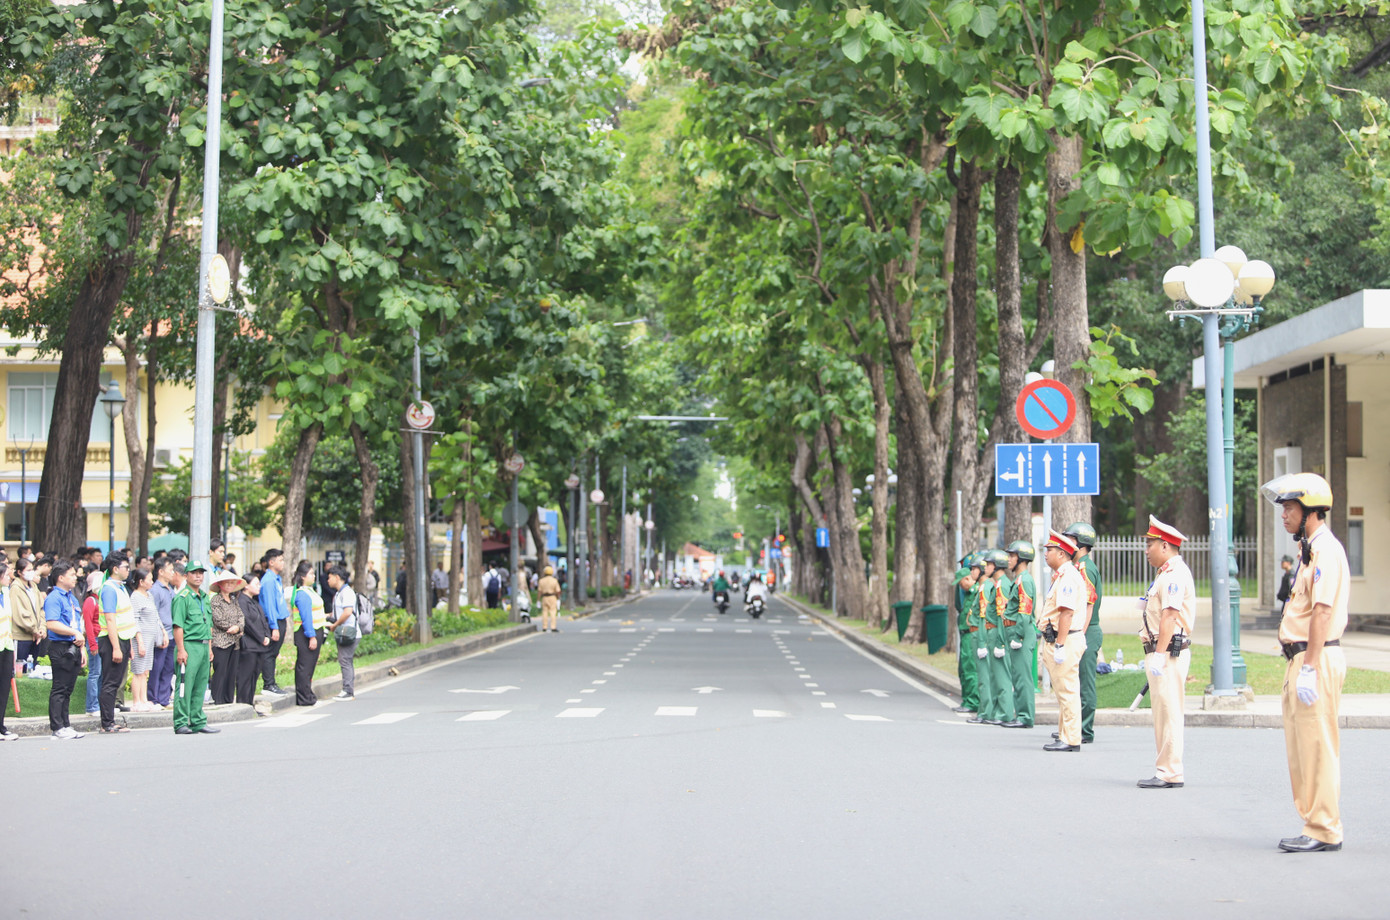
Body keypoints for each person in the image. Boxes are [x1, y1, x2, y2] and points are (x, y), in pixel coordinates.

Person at [1262, 473, 1349, 852]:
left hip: (1317, 657)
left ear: (1310, 510)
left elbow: (1322, 612)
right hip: (1302, 658)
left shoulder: (1326, 550)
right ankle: (1314, 823)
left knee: (1317, 747)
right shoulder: (1309, 551)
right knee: (1302, 749)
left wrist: (1310, 667)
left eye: (1289, 508)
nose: (1284, 515)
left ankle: (1325, 829)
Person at [1136, 515, 1195, 790]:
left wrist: (1159, 655)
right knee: (1162, 714)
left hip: (1169, 652)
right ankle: (1166, 769)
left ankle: (1170, 772)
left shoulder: (1174, 575)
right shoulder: (1165, 574)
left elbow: (1170, 616)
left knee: (1169, 713)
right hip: (1163, 651)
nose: (1146, 550)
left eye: (1150, 544)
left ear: (1164, 545)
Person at [1040, 531, 1087, 752]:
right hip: (1061, 639)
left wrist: (1059, 645)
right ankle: (1065, 735)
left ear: (1061, 553)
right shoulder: (1062, 575)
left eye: (1049, 550)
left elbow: (1066, 613)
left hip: (1065, 640)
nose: (1046, 554)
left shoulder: (1067, 577)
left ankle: (1071, 739)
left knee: (1068, 692)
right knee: (1064, 692)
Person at [1063, 522, 1103, 745]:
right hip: (1082, 630)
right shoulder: (1078, 566)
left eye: (1070, 539)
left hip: (1087, 630)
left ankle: (1085, 729)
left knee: (1085, 683)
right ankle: (1074, 727)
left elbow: (1088, 605)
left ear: (1081, 543)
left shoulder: (1085, 568)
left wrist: (1080, 634)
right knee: (1075, 683)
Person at [171, 561, 218, 734]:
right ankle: (181, 722)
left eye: (201, 573)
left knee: (200, 685)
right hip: (189, 645)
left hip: (204, 645)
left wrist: (210, 647)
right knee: (185, 685)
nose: (198, 576)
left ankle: (198, 721)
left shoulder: (204, 597)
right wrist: (181, 649)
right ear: (186, 576)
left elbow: (208, 625)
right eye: (194, 573)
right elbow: (178, 626)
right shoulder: (182, 598)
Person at [43, 561, 86, 739]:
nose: (75, 577)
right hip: (60, 646)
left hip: (74, 646)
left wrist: (82, 648)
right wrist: (74, 633)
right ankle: (57, 727)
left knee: (68, 689)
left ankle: (66, 724)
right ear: (60, 578)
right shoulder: (54, 597)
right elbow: (52, 624)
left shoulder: (71, 598)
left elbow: (77, 624)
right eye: (72, 575)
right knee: (60, 688)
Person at [96, 552, 136, 733]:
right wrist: (116, 648)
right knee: (110, 683)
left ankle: (110, 720)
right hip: (112, 640)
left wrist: (129, 645)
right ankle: (107, 723)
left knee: (115, 682)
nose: (128, 570)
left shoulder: (120, 587)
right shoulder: (109, 589)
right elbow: (110, 620)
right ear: (115, 569)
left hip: (123, 639)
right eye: (125, 567)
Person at [982, 549, 1021, 728]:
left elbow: (1002, 616)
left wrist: (1000, 642)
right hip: (992, 633)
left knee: (1002, 676)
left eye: (989, 564)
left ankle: (1005, 713)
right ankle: (998, 711)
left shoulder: (1002, 585)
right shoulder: (998, 584)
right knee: (995, 676)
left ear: (997, 566)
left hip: (999, 634)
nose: (986, 568)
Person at [1003, 540, 1038, 729]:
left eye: (1012, 556)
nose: (1008, 559)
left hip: (1021, 633)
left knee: (1023, 677)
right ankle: (1021, 714)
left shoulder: (1024, 580)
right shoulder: (1019, 579)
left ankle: (1025, 716)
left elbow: (1024, 611)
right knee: (1017, 676)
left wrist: (1018, 636)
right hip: (1015, 631)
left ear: (1022, 559)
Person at [965, 554, 997, 725]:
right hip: (977, 632)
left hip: (980, 633)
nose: (972, 572)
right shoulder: (982, 586)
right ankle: (985, 710)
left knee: (984, 676)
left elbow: (984, 616)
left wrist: (982, 641)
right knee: (982, 675)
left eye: (974, 569)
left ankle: (986, 712)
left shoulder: (985, 587)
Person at [291, 560, 328, 706]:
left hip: (315, 630)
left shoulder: (310, 591)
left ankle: (308, 695)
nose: (314, 576)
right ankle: (304, 697)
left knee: (310, 666)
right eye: (311, 573)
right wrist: (311, 636)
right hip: (306, 633)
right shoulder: (302, 594)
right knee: (305, 666)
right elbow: (306, 618)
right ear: (302, 576)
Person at [209, 570, 246, 705]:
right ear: (220, 584)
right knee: (220, 671)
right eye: (227, 583)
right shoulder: (215, 600)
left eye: (232, 583)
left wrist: (238, 627)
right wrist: (232, 627)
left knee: (231, 672)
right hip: (221, 641)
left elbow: (241, 616)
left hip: (235, 641)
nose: (230, 585)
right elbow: (218, 619)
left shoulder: (234, 600)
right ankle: (217, 699)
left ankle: (228, 699)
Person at [127, 566, 162, 712]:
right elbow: (134, 619)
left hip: (150, 637)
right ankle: (137, 702)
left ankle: (144, 699)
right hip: (140, 639)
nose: (152, 582)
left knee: (145, 671)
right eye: (150, 579)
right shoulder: (135, 597)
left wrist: (162, 632)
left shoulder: (149, 596)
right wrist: (140, 641)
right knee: (138, 671)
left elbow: (155, 616)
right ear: (141, 582)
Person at [236, 572, 271, 706]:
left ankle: (249, 704)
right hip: (248, 645)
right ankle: (243, 704)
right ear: (246, 586)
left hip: (258, 646)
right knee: (245, 677)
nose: (259, 586)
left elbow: (263, 620)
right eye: (256, 584)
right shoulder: (241, 601)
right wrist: (261, 637)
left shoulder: (255, 602)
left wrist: (267, 636)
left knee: (254, 677)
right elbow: (247, 623)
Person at [258, 549, 290, 696]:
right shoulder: (269, 580)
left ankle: (271, 683)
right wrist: (274, 626)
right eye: (280, 560)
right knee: (269, 653)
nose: (283, 563)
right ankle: (268, 684)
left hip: (280, 619)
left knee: (273, 653)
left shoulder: (276, 578)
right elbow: (270, 606)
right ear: (271, 562)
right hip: (274, 621)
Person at [324, 565, 357, 701]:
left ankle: (348, 691)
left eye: (329, 577)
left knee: (345, 660)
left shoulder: (347, 592)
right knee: (345, 659)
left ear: (337, 577)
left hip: (348, 631)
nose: (328, 580)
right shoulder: (339, 593)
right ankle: (347, 689)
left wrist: (335, 624)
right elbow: (338, 612)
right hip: (343, 631)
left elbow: (347, 612)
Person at [148, 559, 178, 708]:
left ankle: (164, 698)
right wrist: (160, 633)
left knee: (168, 668)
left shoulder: (170, 590)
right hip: (161, 635)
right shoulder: (155, 590)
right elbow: (154, 614)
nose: (173, 573)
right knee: (157, 668)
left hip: (172, 634)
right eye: (170, 570)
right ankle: (153, 698)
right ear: (160, 571)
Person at [952, 556, 979, 715]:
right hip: (964, 634)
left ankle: (972, 702)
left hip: (971, 634)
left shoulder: (976, 592)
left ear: (968, 579)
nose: (960, 586)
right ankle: (966, 699)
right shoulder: (968, 593)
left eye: (961, 582)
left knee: (970, 670)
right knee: (963, 669)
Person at [11, 556, 47, 668]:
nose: (31, 572)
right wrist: (34, 630)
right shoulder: (15, 588)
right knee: (21, 669)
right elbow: (19, 614)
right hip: (22, 637)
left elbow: (41, 609)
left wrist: (42, 628)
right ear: (19, 572)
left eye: (32, 569)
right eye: (28, 570)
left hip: (36, 636)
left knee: (33, 667)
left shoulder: (33, 586)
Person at [81, 571, 103, 716]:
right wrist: (93, 644)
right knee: (95, 673)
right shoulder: (91, 601)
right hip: (95, 640)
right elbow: (88, 624)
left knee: (100, 674)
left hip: (101, 639)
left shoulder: (99, 600)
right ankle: (92, 706)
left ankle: (99, 705)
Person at [0, 563, 17, 740]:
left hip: (6, 646)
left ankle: (1, 726)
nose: (9, 578)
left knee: (4, 688)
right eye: (6, 575)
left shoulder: (6, 593)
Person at [538, 565, 562, 633]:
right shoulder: (554, 580)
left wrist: (538, 600)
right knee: (553, 612)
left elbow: (539, 591)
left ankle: (544, 627)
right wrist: (558, 598)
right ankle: (553, 627)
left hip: (544, 597)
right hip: (552, 597)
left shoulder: (541, 581)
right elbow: (558, 591)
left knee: (544, 612)